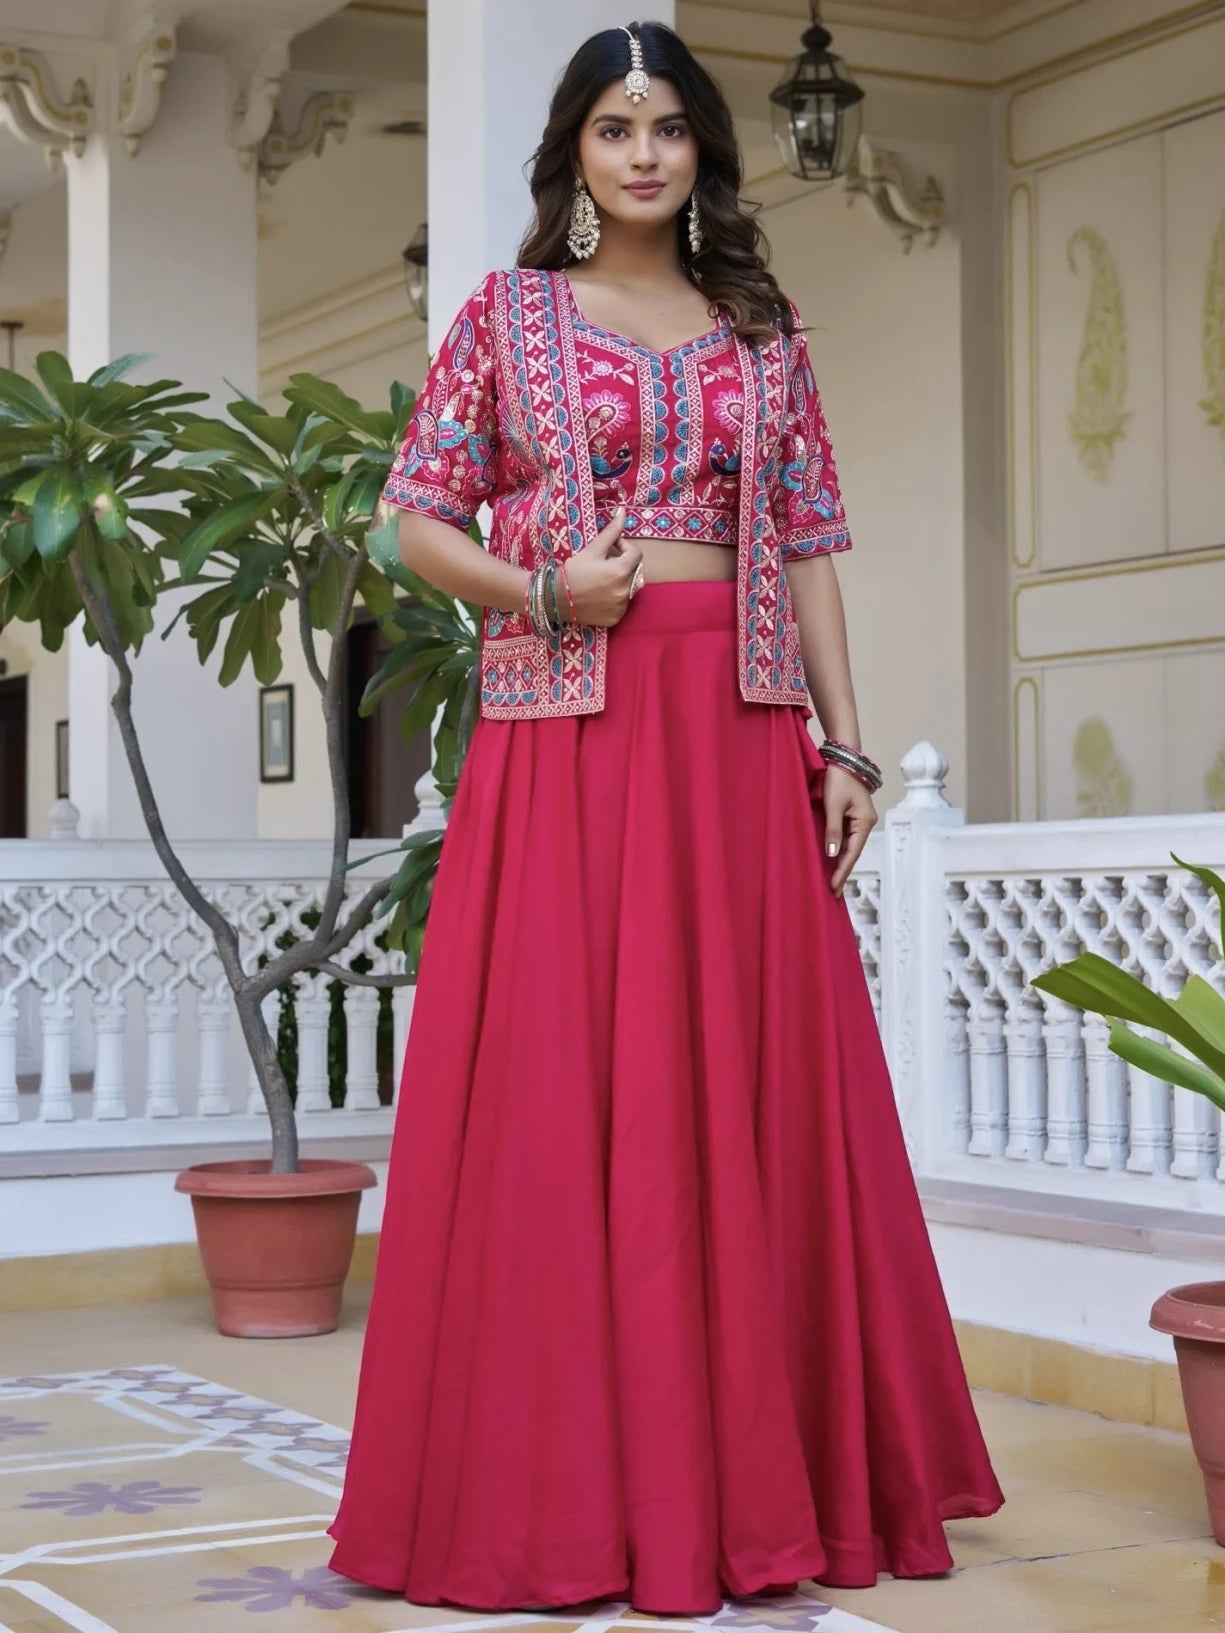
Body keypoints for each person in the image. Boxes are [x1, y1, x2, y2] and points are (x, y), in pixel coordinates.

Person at [328, 20, 1003, 1616]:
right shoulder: (508, 318)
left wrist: (843, 744)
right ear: (571, 149)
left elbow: (817, 542)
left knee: (745, 1091)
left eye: (670, 127)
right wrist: (539, 586)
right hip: (572, 730)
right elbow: (408, 520)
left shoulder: (761, 331)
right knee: (577, 1088)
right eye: (615, 127)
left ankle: (758, 1487)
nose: (644, 154)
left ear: (703, 147)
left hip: (737, 728)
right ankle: (569, 1492)